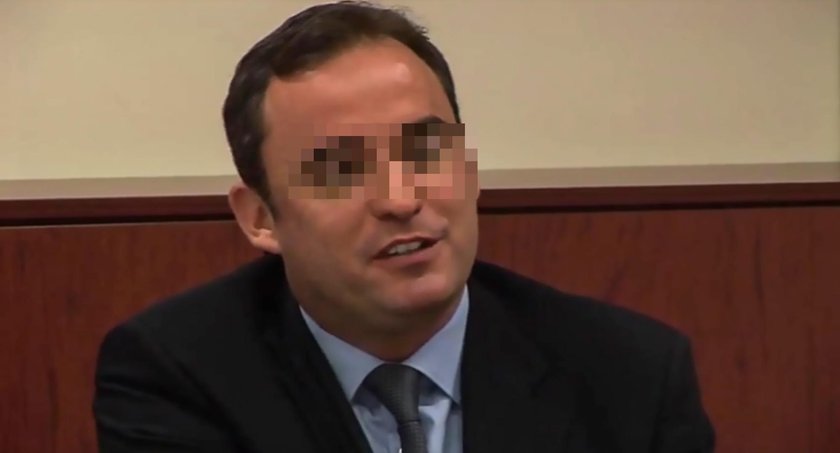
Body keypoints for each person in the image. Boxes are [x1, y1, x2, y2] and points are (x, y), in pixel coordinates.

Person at [93, 2, 715, 452]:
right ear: (260, 218)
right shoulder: (177, 375)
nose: (400, 199)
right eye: (340, 170)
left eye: (426, 152)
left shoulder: (628, 373)